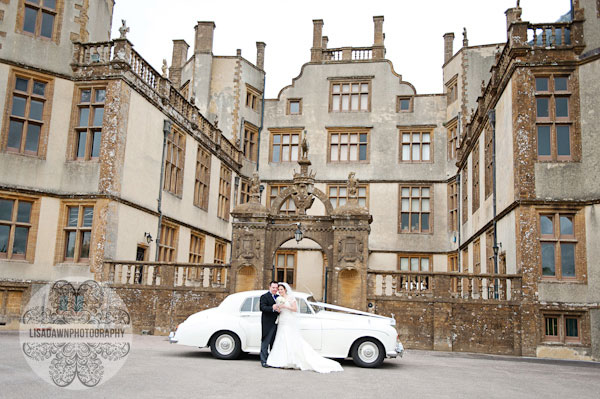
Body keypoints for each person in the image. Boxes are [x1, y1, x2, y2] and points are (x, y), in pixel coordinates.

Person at [266, 283, 343, 373]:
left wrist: (284, 306)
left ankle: (291, 360)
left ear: (285, 290)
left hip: (289, 320)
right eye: (279, 289)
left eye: (281, 289)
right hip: (282, 320)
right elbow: (279, 309)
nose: (279, 291)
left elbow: (295, 309)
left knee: (289, 338)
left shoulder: (290, 297)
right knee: (281, 338)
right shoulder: (279, 298)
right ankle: (281, 360)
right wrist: (278, 308)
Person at [259, 281, 280, 367]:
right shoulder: (264, 297)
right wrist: (272, 308)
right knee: (265, 342)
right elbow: (262, 307)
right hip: (268, 323)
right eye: (273, 288)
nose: (275, 289)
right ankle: (264, 361)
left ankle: (272, 360)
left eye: (276, 288)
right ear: (269, 287)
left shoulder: (279, 297)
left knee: (274, 342)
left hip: (278, 323)